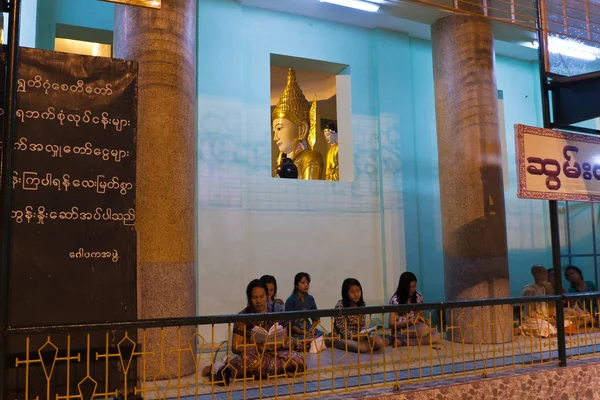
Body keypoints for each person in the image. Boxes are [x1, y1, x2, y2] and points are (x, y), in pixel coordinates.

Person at [205, 279, 304, 384]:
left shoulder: (277, 311)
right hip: (254, 355)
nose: (259, 301)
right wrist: (257, 347)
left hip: (276, 352)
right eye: (254, 298)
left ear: (267, 296)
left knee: (298, 359)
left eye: (262, 297)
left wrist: (272, 345)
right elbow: (236, 347)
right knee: (249, 363)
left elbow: (283, 338)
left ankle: (262, 371)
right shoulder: (243, 316)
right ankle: (220, 368)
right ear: (249, 298)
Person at [333, 278, 387, 352]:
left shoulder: (361, 305)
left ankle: (364, 344)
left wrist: (365, 332)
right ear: (346, 293)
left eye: (358, 291)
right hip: (343, 337)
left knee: (379, 342)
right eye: (352, 292)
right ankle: (342, 344)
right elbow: (342, 330)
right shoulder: (340, 306)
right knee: (362, 348)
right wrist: (355, 336)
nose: (356, 294)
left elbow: (362, 324)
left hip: (359, 336)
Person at [388, 272, 441, 346]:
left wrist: (423, 320)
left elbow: (421, 317)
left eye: (413, 286)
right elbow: (391, 324)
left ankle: (403, 342)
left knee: (437, 336)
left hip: (416, 328)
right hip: (402, 329)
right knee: (424, 329)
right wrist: (408, 322)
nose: (411, 289)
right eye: (408, 287)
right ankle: (399, 338)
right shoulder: (395, 300)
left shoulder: (418, 296)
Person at [519, 265, 571, 337]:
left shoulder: (547, 287)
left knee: (568, 323)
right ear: (537, 275)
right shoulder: (529, 289)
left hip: (547, 318)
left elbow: (552, 305)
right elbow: (529, 311)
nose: (546, 275)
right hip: (533, 320)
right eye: (544, 273)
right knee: (546, 328)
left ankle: (554, 330)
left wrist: (554, 316)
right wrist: (545, 319)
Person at [285, 272, 323, 339]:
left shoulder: (310, 299)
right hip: (296, 331)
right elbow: (289, 323)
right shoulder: (291, 300)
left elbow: (316, 319)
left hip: (308, 329)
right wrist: (301, 332)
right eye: (303, 283)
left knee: (325, 337)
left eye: (307, 283)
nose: (306, 285)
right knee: (301, 342)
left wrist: (310, 330)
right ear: (296, 285)